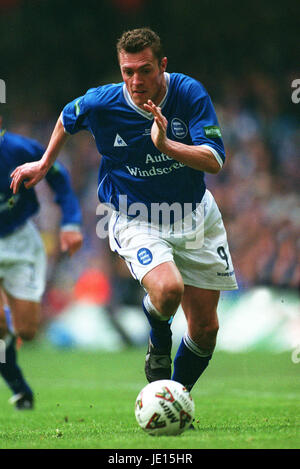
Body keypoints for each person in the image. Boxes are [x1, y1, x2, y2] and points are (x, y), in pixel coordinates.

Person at [10, 28, 238, 394]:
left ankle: (172, 397)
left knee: (206, 328)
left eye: (145, 70)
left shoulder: (188, 92)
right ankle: (159, 335)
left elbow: (214, 160)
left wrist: (166, 144)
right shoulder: (102, 103)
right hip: (137, 218)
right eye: (127, 71)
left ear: (162, 66)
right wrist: (42, 162)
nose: (136, 80)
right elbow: (68, 117)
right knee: (167, 290)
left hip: (195, 216)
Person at [0, 117, 83, 409]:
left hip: (20, 241)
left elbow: (58, 177)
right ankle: (20, 388)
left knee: (27, 331)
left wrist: (71, 221)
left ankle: (8, 325)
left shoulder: (21, 149)